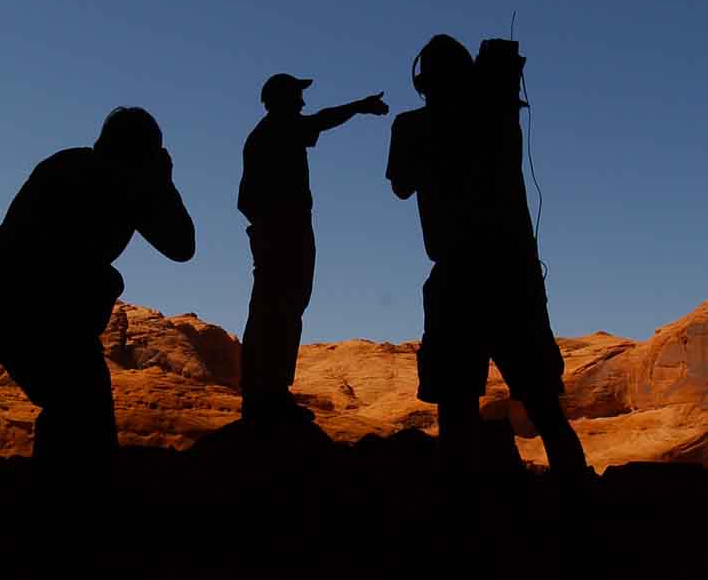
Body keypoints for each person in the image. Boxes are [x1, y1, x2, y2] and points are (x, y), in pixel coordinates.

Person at [386, 35, 587, 479]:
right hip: (513, 276)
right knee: (541, 405)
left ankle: (461, 520)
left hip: (457, 278)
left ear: (423, 83)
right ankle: (578, 508)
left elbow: (401, 184)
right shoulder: (496, 115)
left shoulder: (412, 126)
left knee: (455, 406)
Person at [0, 107, 195, 478]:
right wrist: (163, 183)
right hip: (46, 313)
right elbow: (182, 246)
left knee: (72, 411)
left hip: (7, 305)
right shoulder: (123, 181)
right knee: (82, 416)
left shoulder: (67, 163)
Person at [238, 73, 389, 425]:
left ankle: (266, 391)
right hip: (283, 230)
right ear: (281, 99)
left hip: (279, 229)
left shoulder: (267, 134)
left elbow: (245, 200)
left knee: (278, 305)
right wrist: (360, 107)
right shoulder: (274, 132)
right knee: (280, 306)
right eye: (296, 96)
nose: (302, 103)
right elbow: (323, 119)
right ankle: (268, 393)